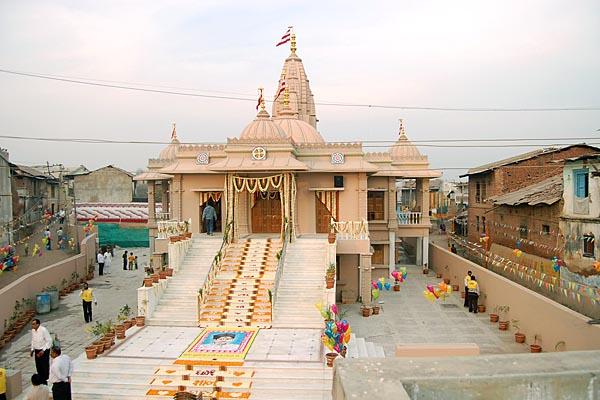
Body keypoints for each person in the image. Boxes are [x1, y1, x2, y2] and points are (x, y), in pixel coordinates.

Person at [30, 319, 53, 385]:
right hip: (37, 350)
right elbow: (33, 340)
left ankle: (46, 380)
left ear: (38, 324)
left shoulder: (43, 330)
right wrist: (32, 349)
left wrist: (43, 350)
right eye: (32, 324)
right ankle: (40, 380)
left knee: (44, 366)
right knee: (38, 366)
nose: (32, 326)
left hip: (44, 350)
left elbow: (49, 340)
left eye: (34, 324)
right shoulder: (33, 331)